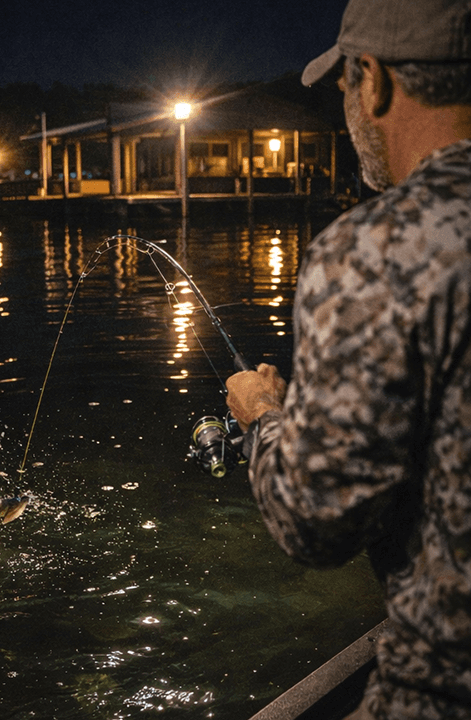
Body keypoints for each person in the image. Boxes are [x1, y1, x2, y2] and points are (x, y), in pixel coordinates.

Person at [225, 1, 471, 718]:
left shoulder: (376, 246)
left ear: (375, 80)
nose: (344, 105)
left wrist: (264, 417)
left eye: (342, 86)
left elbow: (314, 522)